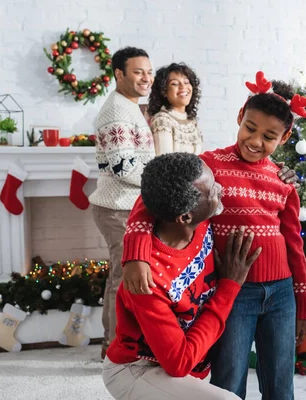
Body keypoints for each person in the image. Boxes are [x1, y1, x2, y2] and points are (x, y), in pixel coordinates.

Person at [122, 71, 306, 399]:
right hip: (234, 292)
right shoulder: (209, 167)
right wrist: (136, 253)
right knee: (228, 379)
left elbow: (294, 242)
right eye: (250, 128)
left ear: (284, 137)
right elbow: (150, 197)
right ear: (240, 117)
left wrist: (302, 302)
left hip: (281, 294)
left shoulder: (283, 180)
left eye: (269, 136)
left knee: (281, 384)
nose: (255, 141)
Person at [103, 152, 261, 399]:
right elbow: (179, 362)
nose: (219, 188)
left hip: (178, 366)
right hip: (138, 368)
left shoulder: (197, 217)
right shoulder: (147, 280)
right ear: (185, 216)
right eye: (211, 190)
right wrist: (229, 287)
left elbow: (148, 197)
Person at [88, 46, 156, 360]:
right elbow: (121, 166)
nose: (146, 78)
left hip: (128, 205)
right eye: (138, 71)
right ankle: (115, 348)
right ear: (119, 74)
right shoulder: (116, 110)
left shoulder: (130, 107)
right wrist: (160, 183)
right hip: (117, 206)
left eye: (149, 71)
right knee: (122, 277)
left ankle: (118, 342)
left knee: (122, 275)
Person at [147, 63, 203, 155]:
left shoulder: (192, 121)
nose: (183, 87)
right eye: (175, 84)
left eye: (186, 82)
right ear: (164, 91)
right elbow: (164, 163)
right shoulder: (162, 120)